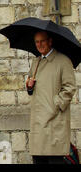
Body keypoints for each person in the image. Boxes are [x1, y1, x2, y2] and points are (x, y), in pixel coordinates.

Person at [25, 31, 76, 164]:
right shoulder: (36, 62)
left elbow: (70, 87)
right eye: (37, 41)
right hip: (38, 125)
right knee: (39, 159)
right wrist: (29, 86)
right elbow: (33, 89)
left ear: (50, 41)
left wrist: (55, 104)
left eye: (42, 41)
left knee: (55, 159)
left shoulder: (63, 61)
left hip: (54, 123)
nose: (39, 44)